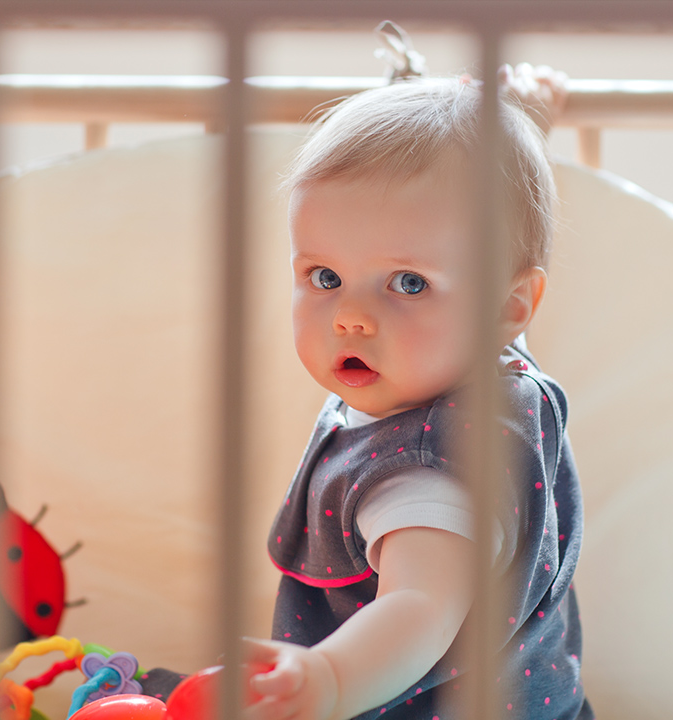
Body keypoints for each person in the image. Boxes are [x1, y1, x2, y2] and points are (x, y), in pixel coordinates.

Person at [241, 66, 592, 720]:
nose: (351, 317)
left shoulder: (427, 470)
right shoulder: (489, 366)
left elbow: (420, 605)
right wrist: (516, 119)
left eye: (407, 284)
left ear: (508, 306)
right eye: (324, 276)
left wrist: (328, 678)